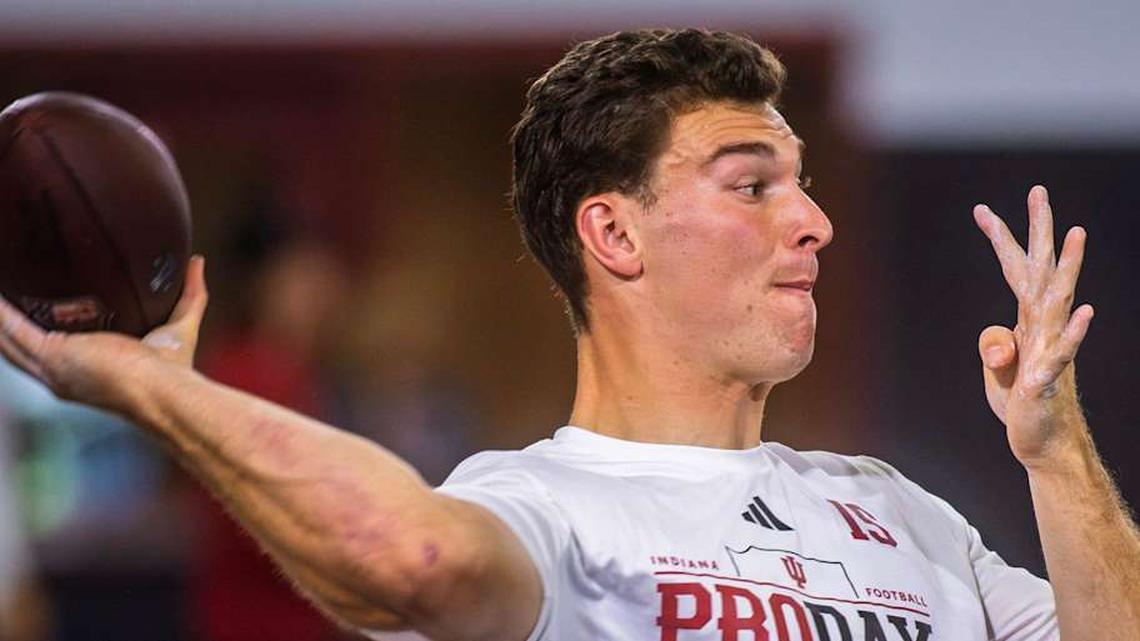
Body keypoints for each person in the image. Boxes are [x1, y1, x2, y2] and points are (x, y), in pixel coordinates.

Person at [0, 28, 1136, 640]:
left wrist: (1054, 454)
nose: (814, 221)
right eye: (753, 185)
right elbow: (418, 559)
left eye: (803, 182)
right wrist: (146, 384)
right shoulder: (540, 508)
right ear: (614, 234)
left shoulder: (904, 515)